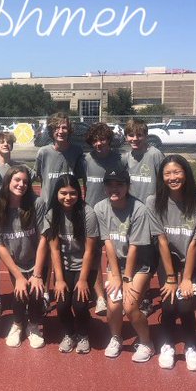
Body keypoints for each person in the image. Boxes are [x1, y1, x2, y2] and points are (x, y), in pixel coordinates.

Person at [146, 154, 196, 371]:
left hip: (192, 261)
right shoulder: (153, 202)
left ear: (186, 173)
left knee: (185, 304)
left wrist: (186, 279)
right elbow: (162, 240)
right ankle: (167, 344)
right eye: (167, 173)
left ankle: (191, 345)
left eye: (177, 172)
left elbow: (194, 243)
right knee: (168, 302)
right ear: (161, 177)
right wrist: (172, 278)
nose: (173, 177)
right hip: (168, 261)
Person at [94, 169, 155, 361]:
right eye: (110, 185)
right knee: (113, 307)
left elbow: (135, 246)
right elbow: (108, 242)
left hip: (139, 266)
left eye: (119, 184)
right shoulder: (100, 208)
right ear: (104, 187)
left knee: (129, 306)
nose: (114, 189)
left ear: (127, 186)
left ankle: (147, 342)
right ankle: (115, 337)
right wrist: (115, 274)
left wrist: (126, 278)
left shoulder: (139, 209)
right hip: (116, 265)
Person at [0, 166, 48, 348]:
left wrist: (37, 274)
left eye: (25, 182)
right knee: (20, 293)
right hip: (16, 261)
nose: (21, 184)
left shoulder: (37, 203)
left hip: (37, 257)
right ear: (8, 182)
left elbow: (44, 237)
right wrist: (19, 276)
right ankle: (18, 324)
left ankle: (33, 325)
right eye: (17, 180)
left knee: (36, 293)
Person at [44, 173, 100, 354]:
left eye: (72, 193)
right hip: (65, 266)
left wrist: (83, 280)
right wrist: (59, 280)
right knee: (61, 304)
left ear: (79, 193)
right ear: (57, 194)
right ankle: (70, 333)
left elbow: (90, 250)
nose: (68, 198)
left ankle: (83, 334)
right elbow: (54, 250)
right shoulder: (53, 214)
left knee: (80, 304)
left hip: (85, 265)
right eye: (63, 193)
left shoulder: (87, 213)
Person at [82, 123, 119, 314]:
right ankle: (100, 298)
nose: (99, 143)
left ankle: (117, 291)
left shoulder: (120, 159)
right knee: (95, 256)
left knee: (116, 254)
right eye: (95, 140)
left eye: (102, 139)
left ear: (109, 140)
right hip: (92, 214)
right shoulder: (85, 160)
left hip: (115, 213)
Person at [34, 114, 86, 205]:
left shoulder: (77, 151)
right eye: (57, 128)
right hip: (48, 207)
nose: (60, 131)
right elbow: (37, 177)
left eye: (64, 127)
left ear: (69, 130)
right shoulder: (43, 152)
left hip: (69, 206)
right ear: (51, 131)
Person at [122, 118, 163, 204]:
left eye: (139, 135)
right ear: (126, 137)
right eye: (131, 135)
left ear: (146, 136)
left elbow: (164, 182)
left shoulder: (155, 154)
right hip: (133, 207)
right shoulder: (126, 157)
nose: (135, 138)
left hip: (152, 207)